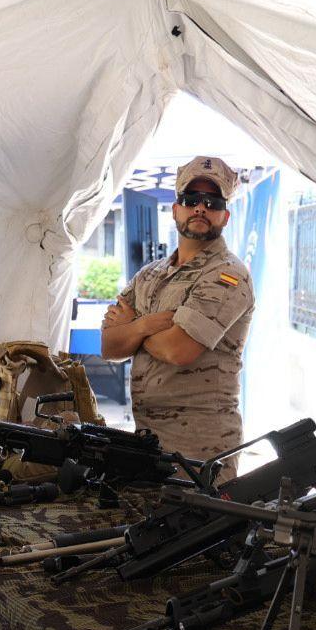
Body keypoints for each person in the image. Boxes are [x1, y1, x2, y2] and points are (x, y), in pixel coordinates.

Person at [99, 155, 256, 482]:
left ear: (224, 217)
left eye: (212, 202)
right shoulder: (149, 274)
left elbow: (178, 350)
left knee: (200, 532)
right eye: (191, 199)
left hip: (202, 449)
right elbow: (109, 345)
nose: (200, 208)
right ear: (176, 209)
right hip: (147, 438)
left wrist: (133, 327)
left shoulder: (228, 275)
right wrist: (148, 325)